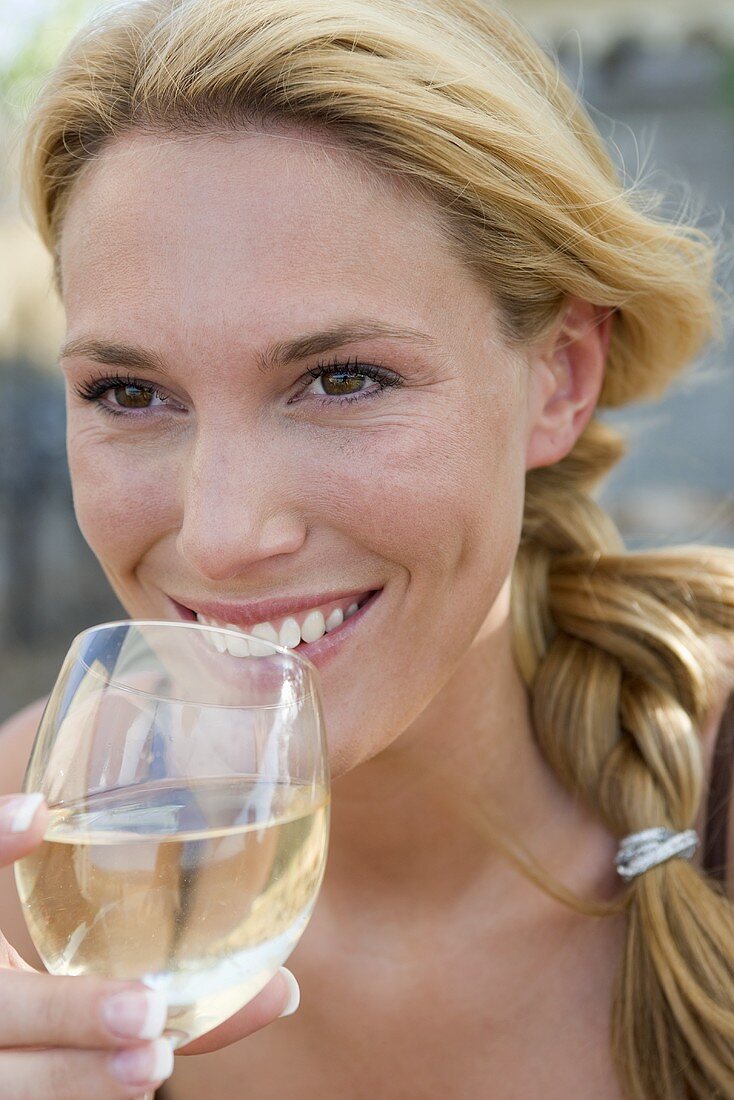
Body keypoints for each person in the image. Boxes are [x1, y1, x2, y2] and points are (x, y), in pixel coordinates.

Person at [0, 0, 733, 1096]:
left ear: (559, 377)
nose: (223, 534)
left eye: (342, 379)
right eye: (131, 392)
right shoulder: (32, 842)